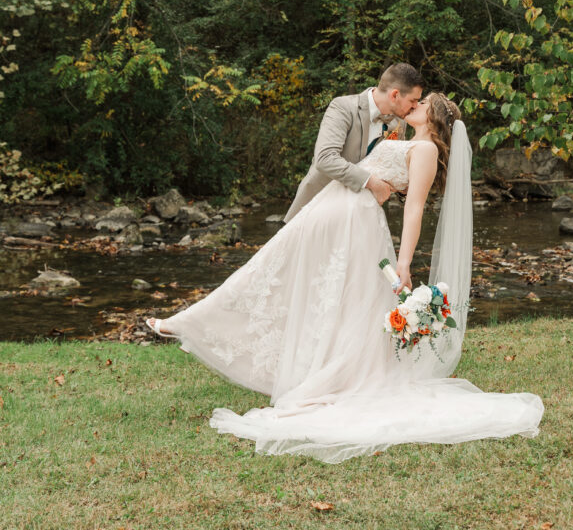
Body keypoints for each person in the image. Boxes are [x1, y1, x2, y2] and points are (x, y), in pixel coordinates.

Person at [145, 90, 544, 463]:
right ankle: (197, 326)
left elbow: (414, 209)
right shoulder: (405, 136)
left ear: (434, 119)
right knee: (277, 275)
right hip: (332, 211)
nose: (414, 105)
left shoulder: (424, 149)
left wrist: (404, 263)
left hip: (355, 221)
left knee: (318, 289)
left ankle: (186, 325)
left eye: (423, 104)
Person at [284, 62, 424, 222]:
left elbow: (391, 168)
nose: (415, 106)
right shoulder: (343, 107)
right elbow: (325, 159)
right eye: (413, 100)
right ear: (394, 95)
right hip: (318, 205)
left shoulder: (399, 123)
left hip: (358, 214)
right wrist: (371, 182)